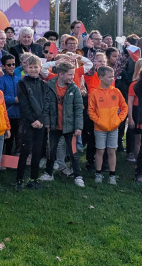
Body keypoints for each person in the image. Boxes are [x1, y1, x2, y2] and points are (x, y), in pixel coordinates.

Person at [39, 60, 85, 188]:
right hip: (54, 126)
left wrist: (78, 127)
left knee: (73, 153)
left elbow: (78, 109)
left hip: (70, 127)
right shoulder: (49, 86)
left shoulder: (74, 88)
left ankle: (78, 176)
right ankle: (49, 173)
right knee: (51, 151)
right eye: (70, 75)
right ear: (60, 74)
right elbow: (46, 106)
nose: (72, 77)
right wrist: (47, 122)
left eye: (72, 74)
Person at [88, 65, 128, 185]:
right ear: (101, 77)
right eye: (109, 76)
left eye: (113, 76)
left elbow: (124, 107)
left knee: (112, 151)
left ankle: (112, 175)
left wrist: (118, 120)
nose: (112, 78)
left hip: (114, 127)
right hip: (100, 128)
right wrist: (99, 122)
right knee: (100, 150)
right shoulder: (95, 93)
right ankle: (98, 173)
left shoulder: (116, 91)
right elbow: (91, 111)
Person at [15, 56, 49, 191]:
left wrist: (41, 120)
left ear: (40, 68)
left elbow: (46, 104)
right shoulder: (22, 83)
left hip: (40, 123)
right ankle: (19, 179)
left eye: (36, 67)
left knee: (37, 151)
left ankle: (34, 179)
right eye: (31, 67)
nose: (34, 70)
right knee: (25, 150)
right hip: (27, 122)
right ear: (25, 68)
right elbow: (24, 104)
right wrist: (32, 120)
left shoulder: (43, 84)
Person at [0, 54, 21, 155]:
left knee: (19, 138)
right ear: (3, 66)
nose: (12, 67)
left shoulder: (18, 79)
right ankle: (5, 160)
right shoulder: (1, 80)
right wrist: (14, 99)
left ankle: (15, 161)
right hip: (7, 114)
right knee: (8, 139)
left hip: (19, 114)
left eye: (13, 64)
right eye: (9, 65)